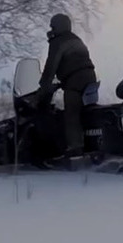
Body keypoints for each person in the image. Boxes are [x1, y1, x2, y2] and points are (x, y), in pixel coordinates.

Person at [37, 13, 97, 159]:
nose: (51, 29)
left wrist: (43, 86)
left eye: (53, 26)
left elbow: (51, 66)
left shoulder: (58, 42)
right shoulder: (77, 40)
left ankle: (75, 149)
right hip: (91, 78)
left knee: (71, 114)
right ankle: (92, 142)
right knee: (87, 113)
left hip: (74, 81)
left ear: (57, 26)